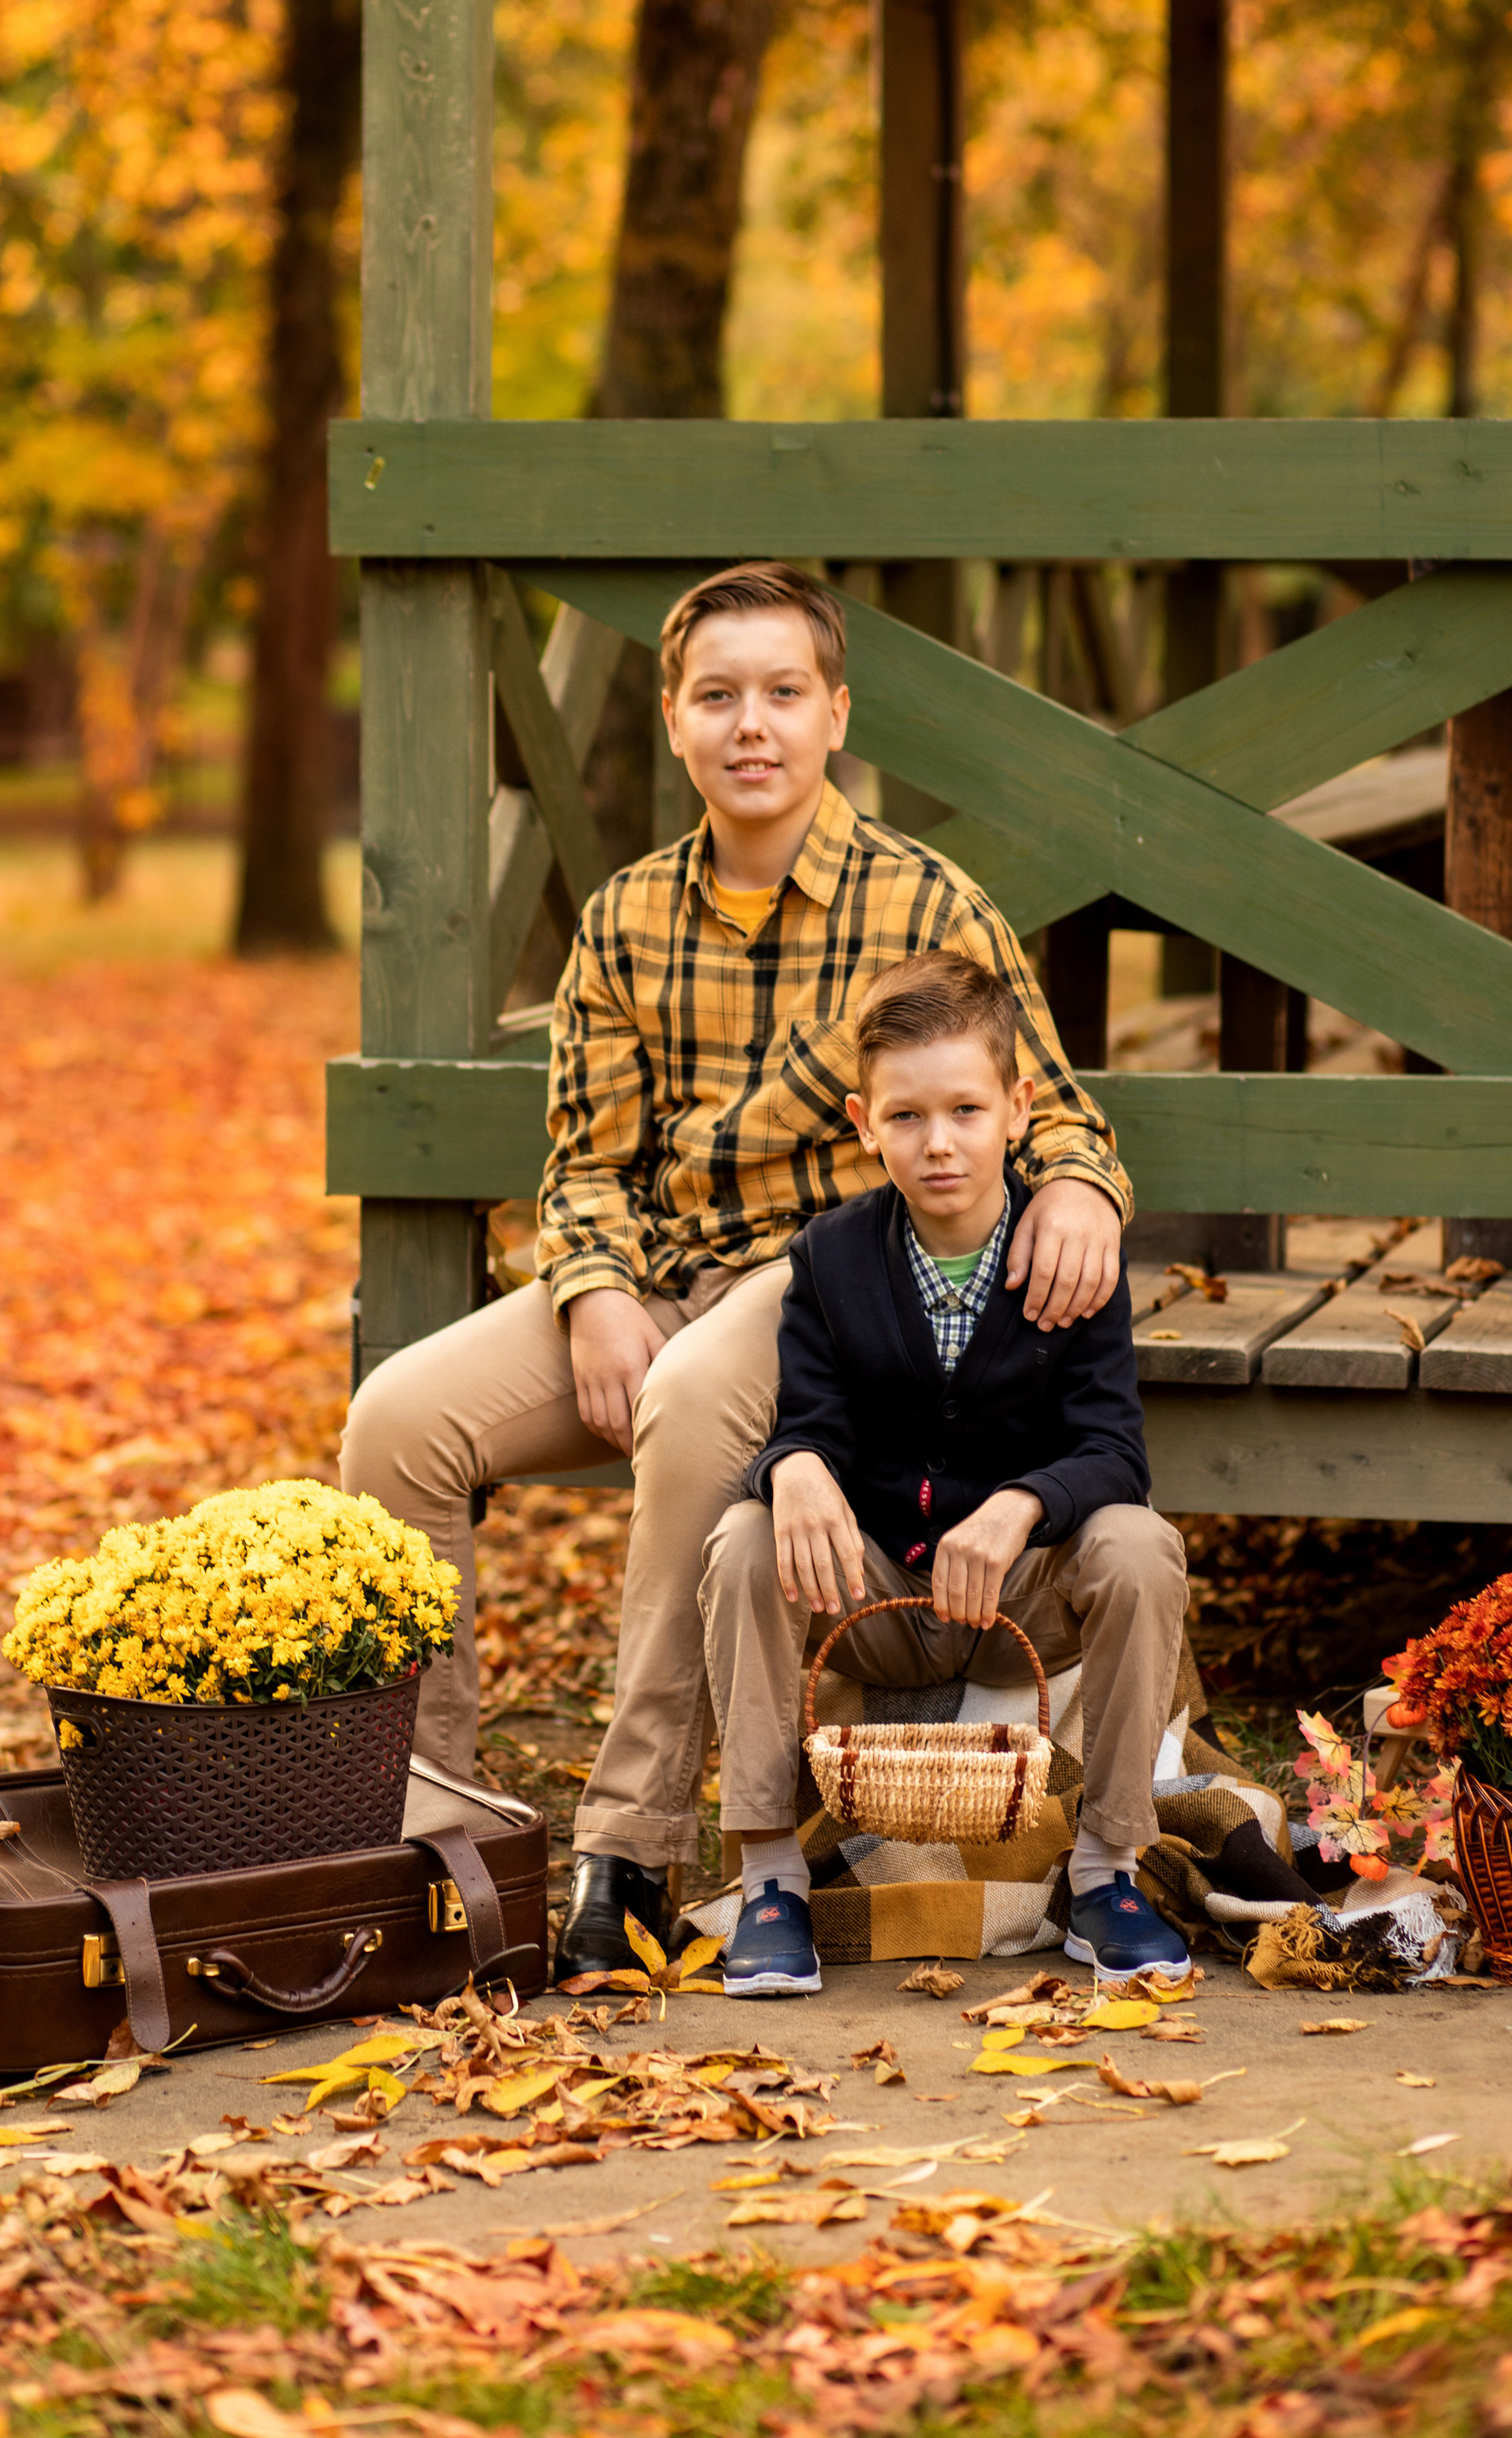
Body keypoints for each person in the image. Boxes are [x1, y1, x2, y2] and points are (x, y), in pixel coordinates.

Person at [340, 560, 1134, 1983]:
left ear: (837, 715)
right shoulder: (626, 919)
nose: (749, 725)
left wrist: (1079, 1186)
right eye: (718, 696)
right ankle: (432, 1827)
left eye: (782, 694)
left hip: (827, 1285)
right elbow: (585, 1161)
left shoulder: (926, 904)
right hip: (647, 1271)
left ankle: (630, 1846)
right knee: (397, 1420)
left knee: (700, 1393)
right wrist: (589, 1290)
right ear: (672, 719)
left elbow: (1052, 1104)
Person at [699, 950, 1190, 1999]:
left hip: (1023, 1594)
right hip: (875, 1597)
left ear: (1018, 1109)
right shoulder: (830, 1259)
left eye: (967, 1109)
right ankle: (769, 1876)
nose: (940, 1143)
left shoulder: (1070, 1255)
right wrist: (790, 1469)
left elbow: (1116, 1453)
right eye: (908, 1117)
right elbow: (812, 1421)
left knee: (1142, 1546)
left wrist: (1022, 1506)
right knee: (743, 1533)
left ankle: (1108, 1870)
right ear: (863, 1121)